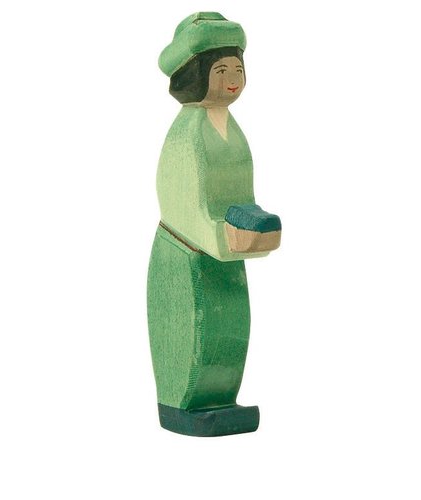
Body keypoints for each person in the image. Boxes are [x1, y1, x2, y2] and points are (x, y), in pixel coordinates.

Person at [147, 12, 281, 436]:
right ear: (194, 75)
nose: (232, 80)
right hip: (185, 255)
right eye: (220, 71)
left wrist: (254, 230)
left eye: (237, 69)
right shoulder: (186, 134)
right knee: (194, 332)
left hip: (225, 254)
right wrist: (223, 236)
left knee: (231, 327)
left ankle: (223, 400)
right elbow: (182, 205)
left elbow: (240, 193)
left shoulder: (232, 130)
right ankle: (182, 406)